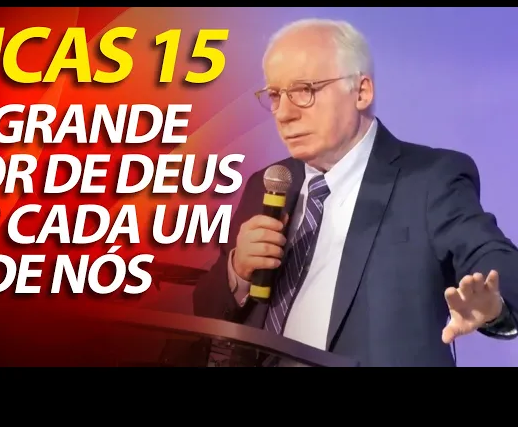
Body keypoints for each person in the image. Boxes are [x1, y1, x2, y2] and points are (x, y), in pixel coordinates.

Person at [192, 18, 518, 367]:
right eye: (274, 95)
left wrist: (493, 305)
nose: (284, 113)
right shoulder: (267, 183)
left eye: (305, 90)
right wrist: (238, 271)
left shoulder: (429, 178)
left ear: (361, 92)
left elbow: (496, 260)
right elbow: (206, 311)